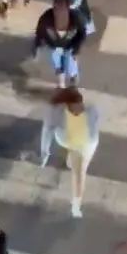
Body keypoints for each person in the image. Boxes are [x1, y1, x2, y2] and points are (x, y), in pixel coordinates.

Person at [41, 87, 99, 218]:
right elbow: (47, 131)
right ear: (66, 105)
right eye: (76, 106)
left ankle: (76, 204)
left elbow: (95, 122)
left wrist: (45, 152)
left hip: (85, 145)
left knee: (79, 172)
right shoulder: (56, 111)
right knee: (79, 171)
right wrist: (45, 152)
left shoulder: (91, 109)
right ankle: (76, 206)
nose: (80, 109)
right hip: (70, 141)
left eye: (80, 105)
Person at [33, 0, 87, 87]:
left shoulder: (76, 18)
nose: (59, 9)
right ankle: (60, 81)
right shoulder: (46, 18)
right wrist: (36, 47)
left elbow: (82, 34)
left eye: (62, 6)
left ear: (68, 7)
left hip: (70, 45)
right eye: (56, 5)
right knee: (55, 57)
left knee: (69, 60)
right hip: (53, 45)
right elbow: (39, 33)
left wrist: (77, 48)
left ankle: (73, 78)